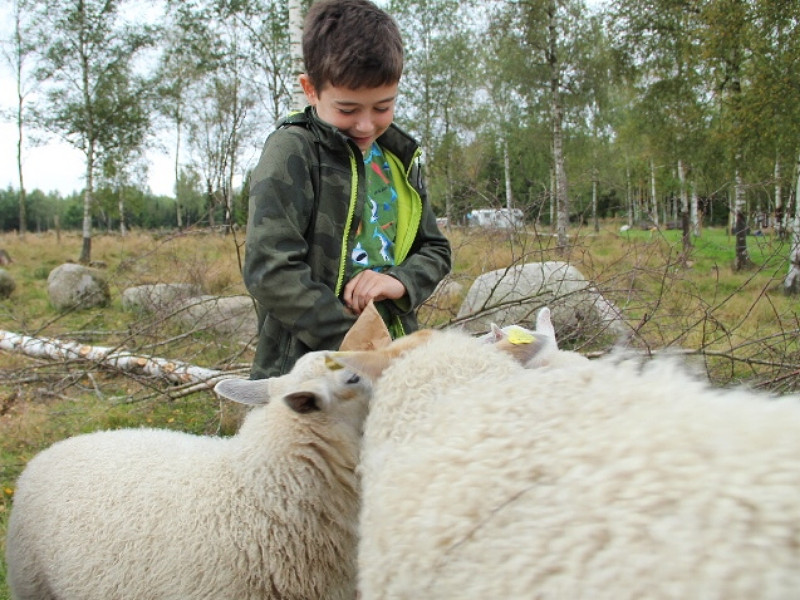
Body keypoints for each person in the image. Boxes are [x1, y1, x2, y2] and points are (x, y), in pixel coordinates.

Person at [243, 0, 452, 378]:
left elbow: (435, 250)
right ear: (310, 89)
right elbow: (269, 270)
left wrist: (399, 281)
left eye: (383, 107)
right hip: (307, 372)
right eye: (347, 109)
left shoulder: (400, 160)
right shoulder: (293, 151)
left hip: (391, 357)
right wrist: (359, 343)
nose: (366, 125)